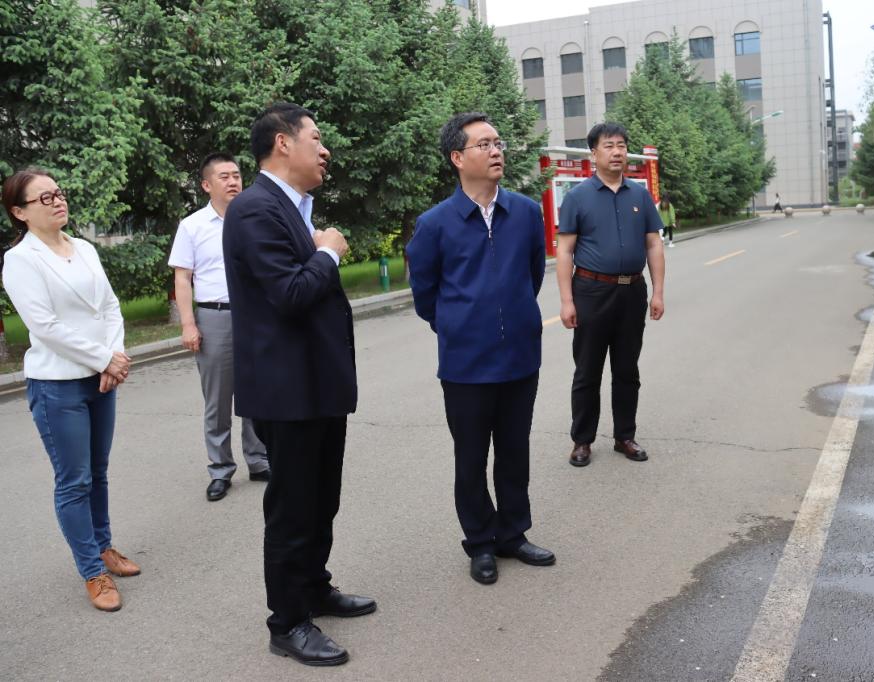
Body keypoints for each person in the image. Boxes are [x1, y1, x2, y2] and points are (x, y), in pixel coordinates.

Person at [222, 103, 375, 667]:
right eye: (316, 138)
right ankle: (287, 622)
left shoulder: (290, 207)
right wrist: (329, 252)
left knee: (321, 498)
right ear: (283, 143)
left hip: (316, 383)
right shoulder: (254, 209)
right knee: (292, 508)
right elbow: (289, 294)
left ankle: (313, 586)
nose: (325, 149)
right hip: (287, 390)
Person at [407, 112, 555, 586]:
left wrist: (514, 316)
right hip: (466, 365)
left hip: (519, 358)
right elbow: (425, 294)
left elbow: (532, 275)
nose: (496, 151)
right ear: (457, 157)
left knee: (514, 451)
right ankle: (480, 541)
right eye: (484, 144)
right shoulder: (434, 224)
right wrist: (458, 325)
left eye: (498, 143)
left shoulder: (525, 213)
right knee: (470, 458)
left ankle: (513, 533)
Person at [2, 168, 141, 612]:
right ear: (20, 212)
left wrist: (115, 355)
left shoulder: (84, 248)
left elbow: (110, 306)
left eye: (58, 193)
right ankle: (92, 571)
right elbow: (44, 325)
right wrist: (104, 359)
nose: (58, 200)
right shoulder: (20, 260)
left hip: (101, 377)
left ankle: (104, 546)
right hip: (58, 385)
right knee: (74, 480)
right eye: (44, 198)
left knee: (98, 472)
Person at [556, 122, 665, 467]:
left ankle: (624, 436)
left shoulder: (640, 196)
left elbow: (653, 244)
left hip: (632, 291)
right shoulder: (577, 197)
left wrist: (658, 292)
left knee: (627, 369)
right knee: (587, 370)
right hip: (591, 291)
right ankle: (582, 440)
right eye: (608, 146)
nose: (617, 152)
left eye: (621, 145)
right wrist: (567, 301)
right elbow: (564, 251)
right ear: (594, 153)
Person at [168, 152, 269, 502]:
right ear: (206, 185)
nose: (233, 181)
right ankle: (220, 469)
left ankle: (259, 460)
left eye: (237, 175)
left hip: (254, 315)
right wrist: (188, 324)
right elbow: (183, 278)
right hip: (215, 317)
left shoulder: (254, 219)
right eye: (224, 176)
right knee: (218, 400)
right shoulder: (192, 226)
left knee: (256, 391)